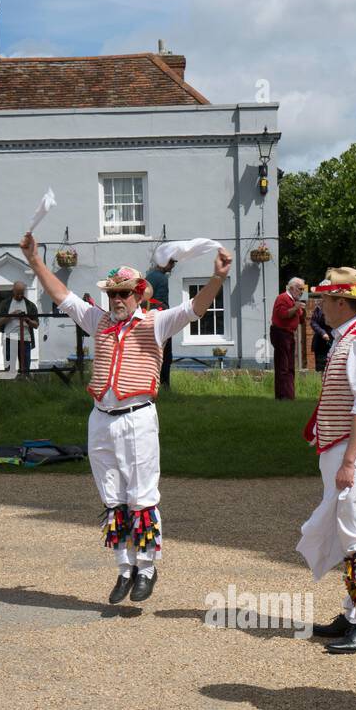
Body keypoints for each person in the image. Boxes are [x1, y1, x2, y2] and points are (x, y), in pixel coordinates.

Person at [21, 231, 232, 604]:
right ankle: (124, 568)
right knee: (112, 496)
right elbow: (61, 296)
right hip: (101, 416)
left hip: (137, 417)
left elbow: (194, 309)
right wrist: (36, 261)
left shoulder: (156, 322)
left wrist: (216, 278)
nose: (117, 299)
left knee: (141, 496)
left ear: (139, 294)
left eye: (124, 293)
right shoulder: (98, 321)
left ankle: (148, 567)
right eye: (113, 294)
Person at [296, 268, 356, 654]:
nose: (317, 306)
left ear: (339, 302)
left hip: (354, 450)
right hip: (341, 448)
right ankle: (353, 612)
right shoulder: (347, 338)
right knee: (348, 534)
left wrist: (350, 459)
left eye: (322, 299)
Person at [270, 277, 307, 399]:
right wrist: (296, 307)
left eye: (303, 289)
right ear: (291, 288)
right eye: (299, 288)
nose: (301, 291)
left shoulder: (295, 301)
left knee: (290, 367)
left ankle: (290, 396)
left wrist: (302, 310)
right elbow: (283, 314)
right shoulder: (283, 298)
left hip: (289, 334)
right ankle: (282, 396)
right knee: (283, 366)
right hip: (280, 333)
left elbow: (301, 320)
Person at [145, 258, 176, 387]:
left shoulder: (149, 276)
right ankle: (164, 384)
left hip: (147, 318)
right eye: (171, 263)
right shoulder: (162, 279)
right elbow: (161, 303)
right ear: (164, 263)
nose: (173, 266)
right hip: (160, 319)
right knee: (166, 355)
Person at [0, 281, 38, 377]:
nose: (20, 295)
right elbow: (0, 322)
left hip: (26, 338)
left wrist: (27, 320)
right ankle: (8, 385)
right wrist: (12, 315)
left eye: (22, 293)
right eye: (18, 293)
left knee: (25, 368)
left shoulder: (30, 305)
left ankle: (24, 384)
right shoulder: (5, 303)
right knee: (9, 367)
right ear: (13, 291)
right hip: (10, 337)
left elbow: (36, 325)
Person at [309, 303, 333, 373]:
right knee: (322, 368)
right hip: (321, 342)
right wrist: (322, 333)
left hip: (335, 339)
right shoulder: (319, 307)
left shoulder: (340, 306)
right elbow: (313, 322)